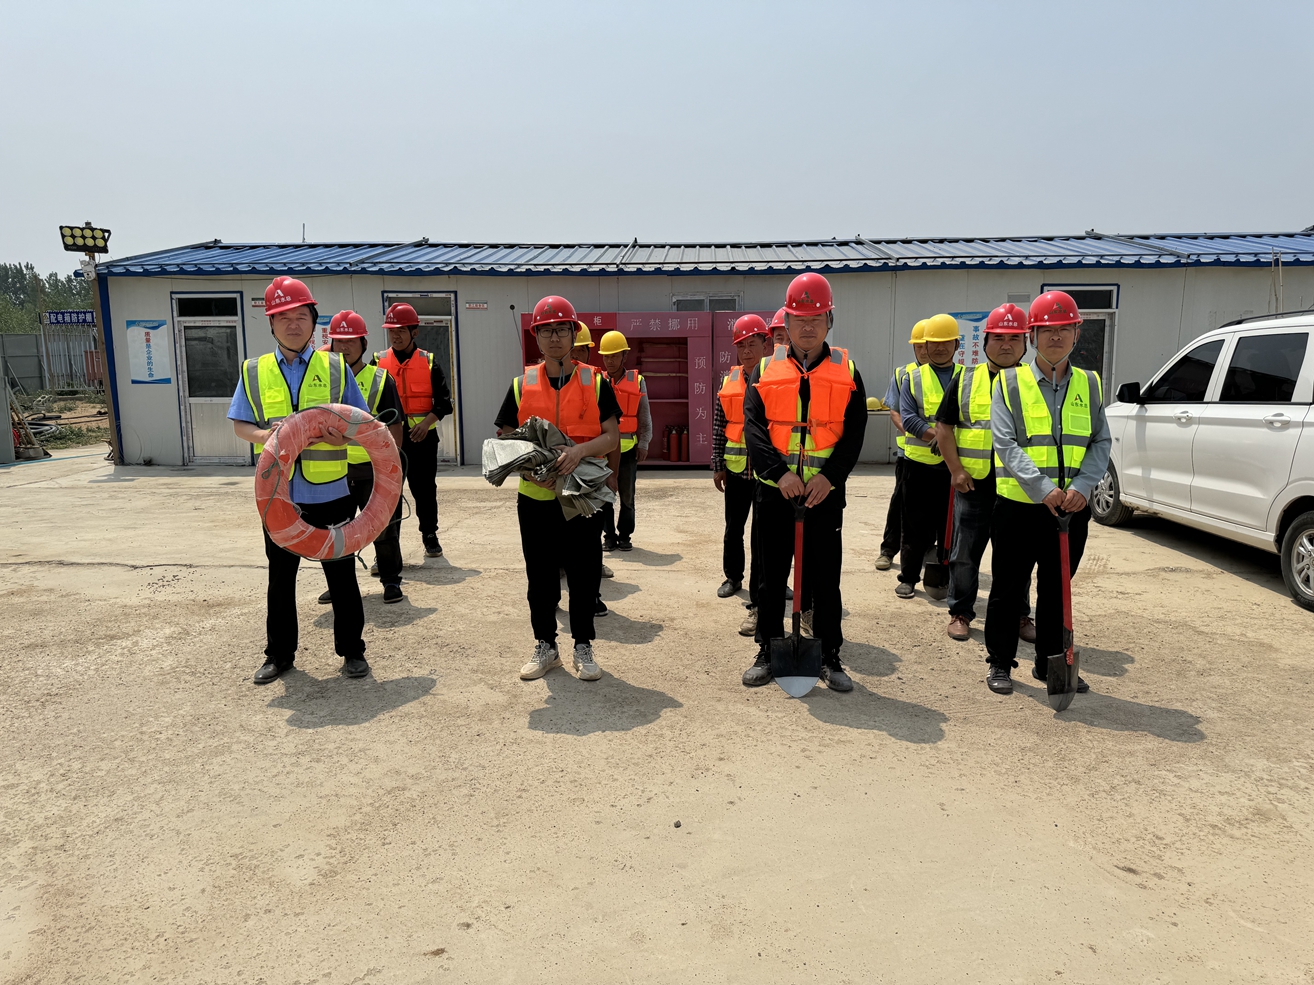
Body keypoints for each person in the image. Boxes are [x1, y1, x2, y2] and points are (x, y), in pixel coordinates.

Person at [228, 277, 373, 684]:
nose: (293, 324)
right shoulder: (254, 371)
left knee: (341, 575)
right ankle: (279, 655)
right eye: (284, 318)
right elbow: (240, 424)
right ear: (271, 323)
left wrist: (341, 436)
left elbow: (361, 423)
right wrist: (265, 436)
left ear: (314, 321)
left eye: (301, 316)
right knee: (280, 577)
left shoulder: (335, 367)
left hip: (332, 491)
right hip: (279, 494)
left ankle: (353, 651)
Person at [741, 273, 867, 691]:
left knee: (826, 578)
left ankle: (829, 655)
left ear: (829, 319)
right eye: (799, 319)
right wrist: (780, 474)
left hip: (823, 496)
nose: (808, 326)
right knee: (770, 577)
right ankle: (767, 649)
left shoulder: (847, 370)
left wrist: (829, 478)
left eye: (816, 318)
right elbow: (754, 428)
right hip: (776, 494)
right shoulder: (764, 369)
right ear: (786, 322)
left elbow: (854, 432)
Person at [982, 291, 1111, 695]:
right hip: (1019, 508)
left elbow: (1101, 441)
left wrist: (1082, 487)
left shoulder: (1090, 383)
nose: (1056, 337)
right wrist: (1043, 489)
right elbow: (1005, 443)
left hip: (1071, 510)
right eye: (1047, 330)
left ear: (1077, 333)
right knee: (1007, 589)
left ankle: (1051, 663)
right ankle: (1000, 662)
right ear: (1033, 335)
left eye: (1064, 329)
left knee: (1057, 591)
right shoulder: (1009, 382)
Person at [494, 295, 621, 683]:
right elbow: (504, 437)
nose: (554, 337)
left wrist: (579, 451)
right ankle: (545, 645)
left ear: (573, 333)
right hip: (535, 497)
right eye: (546, 330)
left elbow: (612, 436)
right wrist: (532, 471)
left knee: (584, 573)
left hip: (582, 495)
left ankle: (583, 645)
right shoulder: (521, 385)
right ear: (536, 336)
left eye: (561, 329)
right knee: (541, 575)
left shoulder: (595, 381)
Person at [933, 303, 1031, 641]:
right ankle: (960, 611)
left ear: (1026, 343)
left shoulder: (1033, 383)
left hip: (1018, 489)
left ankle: (1019, 615)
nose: (1006, 345)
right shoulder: (965, 378)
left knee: (1017, 559)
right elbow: (944, 427)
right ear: (985, 341)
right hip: (973, 485)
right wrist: (955, 470)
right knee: (964, 555)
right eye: (999, 338)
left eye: (1014, 338)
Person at [317, 310, 407, 605]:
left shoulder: (380, 380)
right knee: (337, 531)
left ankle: (391, 580)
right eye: (338, 341)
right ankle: (339, 585)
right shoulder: (322, 380)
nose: (344, 347)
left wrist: (390, 471)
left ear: (364, 343)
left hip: (371, 469)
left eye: (351, 341)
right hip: (335, 469)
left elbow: (395, 429)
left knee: (383, 528)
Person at [376, 302, 454, 560]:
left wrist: (426, 423)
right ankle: (387, 546)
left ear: (415, 332)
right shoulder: (377, 362)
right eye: (392, 331)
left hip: (423, 439)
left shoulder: (429, 362)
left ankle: (430, 535)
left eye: (401, 330)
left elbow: (444, 403)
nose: (396, 336)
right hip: (389, 442)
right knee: (389, 494)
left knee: (425, 491)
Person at [895, 313, 962, 601]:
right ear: (925, 345)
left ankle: (946, 577)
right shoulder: (912, 378)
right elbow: (908, 417)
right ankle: (908, 577)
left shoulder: (968, 378)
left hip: (955, 468)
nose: (940, 348)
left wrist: (947, 444)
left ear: (957, 344)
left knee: (951, 527)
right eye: (934, 342)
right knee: (914, 526)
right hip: (919, 466)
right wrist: (938, 436)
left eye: (946, 342)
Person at [712, 314, 770, 637]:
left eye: (752, 344)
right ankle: (733, 577)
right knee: (734, 528)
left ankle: (767, 587)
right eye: (741, 346)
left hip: (766, 474)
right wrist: (717, 464)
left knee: (764, 535)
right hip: (735, 470)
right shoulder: (728, 381)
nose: (746, 351)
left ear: (766, 344)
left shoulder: (776, 379)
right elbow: (719, 425)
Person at [875, 318, 929, 571]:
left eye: (928, 345)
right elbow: (895, 411)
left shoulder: (954, 374)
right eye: (919, 346)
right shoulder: (903, 374)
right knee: (900, 504)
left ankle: (927, 550)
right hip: (909, 454)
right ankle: (888, 550)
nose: (924, 351)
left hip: (943, 456)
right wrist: (917, 432)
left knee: (934, 509)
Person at [598, 330, 651, 551]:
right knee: (605, 495)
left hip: (628, 450)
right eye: (606, 356)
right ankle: (609, 536)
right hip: (604, 450)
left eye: (614, 356)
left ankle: (625, 536)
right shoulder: (598, 381)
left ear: (624, 356)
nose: (609, 361)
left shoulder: (637, 381)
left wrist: (644, 442)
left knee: (627, 497)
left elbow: (644, 415)